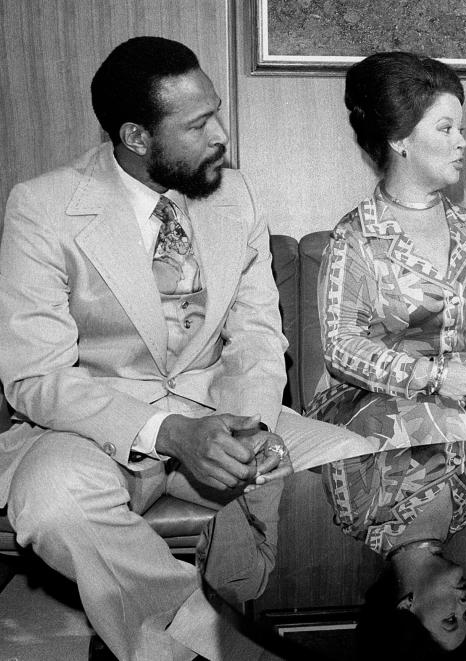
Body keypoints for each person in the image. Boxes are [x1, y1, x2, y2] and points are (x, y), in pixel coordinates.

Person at [0, 36, 368, 661]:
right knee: (53, 500)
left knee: (363, 471)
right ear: (137, 138)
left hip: (223, 413)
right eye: (198, 124)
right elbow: (35, 378)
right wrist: (169, 434)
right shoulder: (42, 208)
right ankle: (206, 647)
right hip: (95, 432)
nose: (221, 135)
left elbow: (256, 334)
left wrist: (247, 424)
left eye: (216, 112)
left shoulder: (235, 194)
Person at [304, 51, 466, 446]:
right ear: (400, 140)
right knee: (442, 428)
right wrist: (434, 377)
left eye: (461, 129)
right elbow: (341, 347)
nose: (461, 142)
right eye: (446, 129)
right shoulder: (356, 237)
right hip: (373, 400)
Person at [323, 439, 466, 657]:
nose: (465, 605)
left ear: (405, 608)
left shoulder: (360, 509)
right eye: (465, 616)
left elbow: (350, 415)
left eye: (450, 619)